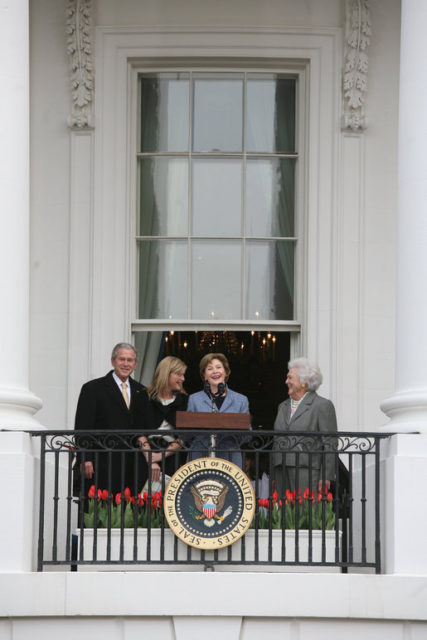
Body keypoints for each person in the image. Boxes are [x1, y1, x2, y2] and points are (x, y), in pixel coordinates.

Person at [75, 342, 150, 496]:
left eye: (130, 360)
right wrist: (85, 458)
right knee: (100, 511)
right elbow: (83, 425)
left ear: (135, 364)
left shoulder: (141, 391)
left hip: (131, 462)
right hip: (102, 460)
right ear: (113, 361)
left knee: (129, 512)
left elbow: (142, 427)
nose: (125, 364)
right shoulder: (93, 388)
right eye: (122, 359)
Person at [272, 357, 337, 496]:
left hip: (306, 470)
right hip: (281, 469)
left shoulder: (321, 405)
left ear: (303, 382)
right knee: (284, 514)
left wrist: (326, 476)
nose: (286, 381)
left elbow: (330, 442)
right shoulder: (282, 407)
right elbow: (276, 440)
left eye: (290, 378)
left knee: (305, 513)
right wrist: (273, 473)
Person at [187, 353, 250, 468]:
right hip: (200, 460)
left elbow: (247, 436)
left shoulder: (241, 400)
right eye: (209, 369)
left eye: (218, 367)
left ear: (226, 372)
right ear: (204, 375)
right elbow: (187, 435)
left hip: (230, 461)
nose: (215, 371)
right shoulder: (194, 399)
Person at [138, 356, 188, 485]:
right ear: (166, 373)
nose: (183, 379)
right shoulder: (143, 397)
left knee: (170, 500)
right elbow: (138, 432)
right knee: (143, 500)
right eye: (179, 374)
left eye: (183, 375)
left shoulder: (184, 401)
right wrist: (151, 458)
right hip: (144, 457)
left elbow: (185, 436)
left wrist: (161, 455)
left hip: (172, 457)